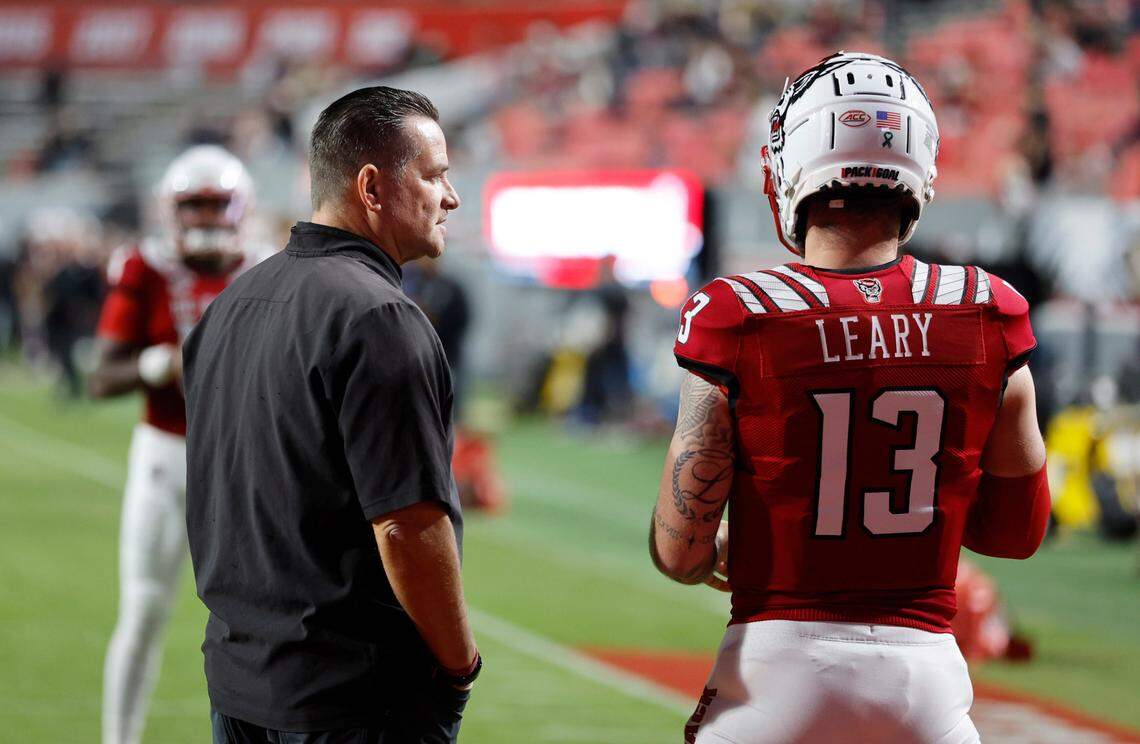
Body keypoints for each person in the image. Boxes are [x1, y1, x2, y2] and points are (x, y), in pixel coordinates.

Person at [649, 52, 1051, 744]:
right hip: (927, 680)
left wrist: (725, 545)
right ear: (919, 167)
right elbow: (1014, 535)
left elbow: (680, 550)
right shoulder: (988, 310)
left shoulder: (740, 312)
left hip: (777, 672)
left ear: (792, 163)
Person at [182, 86, 479, 743]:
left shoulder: (231, 305)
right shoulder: (380, 318)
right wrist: (461, 664)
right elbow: (406, 527)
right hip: (352, 700)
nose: (450, 198)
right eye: (433, 176)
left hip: (239, 683)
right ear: (372, 186)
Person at [91, 145, 272, 744]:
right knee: (143, 613)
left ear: (240, 208)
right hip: (167, 457)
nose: (201, 218)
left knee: (262, 626)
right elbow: (101, 376)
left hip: (244, 463)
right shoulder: (144, 268)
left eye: (214, 204)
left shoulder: (269, 268)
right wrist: (155, 364)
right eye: (191, 205)